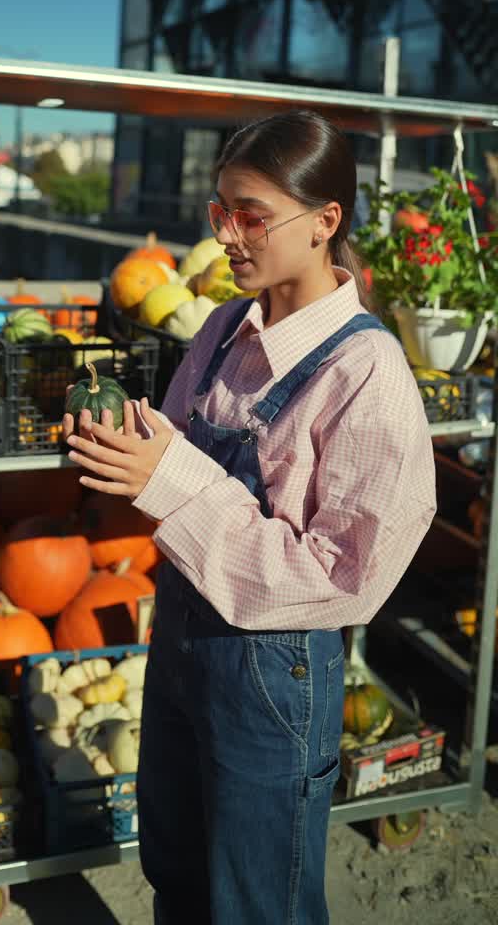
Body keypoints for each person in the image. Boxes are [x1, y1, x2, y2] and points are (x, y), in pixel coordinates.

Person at [63, 110, 436, 925]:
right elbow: (177, 446)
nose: (229, 235)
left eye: (252, 215)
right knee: (179, 874)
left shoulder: (367, 374)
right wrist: (128, 445)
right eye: (219, 213)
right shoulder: (226, 323)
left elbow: (343, 576)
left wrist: (172, 483)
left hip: (272, 676)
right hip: (183, 641)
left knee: (258, 905)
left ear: (325, 223)